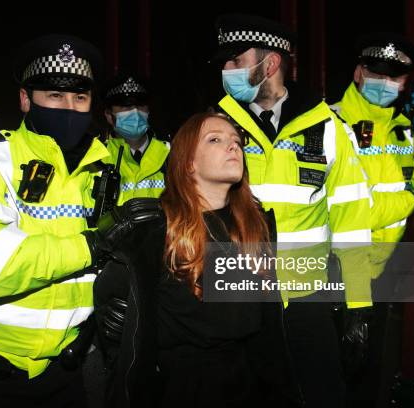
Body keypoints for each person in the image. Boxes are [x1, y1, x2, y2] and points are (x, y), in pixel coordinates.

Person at [0, 33, 160, 407]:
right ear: (26, 100)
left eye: (80, 97)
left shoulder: (105, 168)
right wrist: (94, 244)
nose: (70, 107)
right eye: (55, 96)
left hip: (68, 368)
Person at [212, 14, 373, 408]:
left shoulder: (328, 129)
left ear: (269, 65)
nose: (226, 70)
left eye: (235, 60)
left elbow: (351, 222)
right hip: (237, 304)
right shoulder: (215, 128)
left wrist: (358, 306)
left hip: (307, 304)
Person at [94, 112, 301, 408]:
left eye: (236, 142)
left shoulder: (256, 226)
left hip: (249, 384)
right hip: (181, 389)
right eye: (215, 139)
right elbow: (113, 301)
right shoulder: (157, 229)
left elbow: (267, 332)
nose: (233, 147)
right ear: (189, 163)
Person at [330, 33, 414, 405]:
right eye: (378, 74)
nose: (386, 84)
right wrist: (406, 198)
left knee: (371, 384)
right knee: (328, 383)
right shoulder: (329, 123)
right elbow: (344, 210)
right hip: (335, 272)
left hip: (384, 277)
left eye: (395, 77)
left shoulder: (404, 130)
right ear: (359, 73)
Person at [102, 74, 169, 204]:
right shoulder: (97, 158)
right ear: (109, 116)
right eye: (126, 106)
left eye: (140, 105)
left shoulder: (171, 155)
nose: (135, 111)